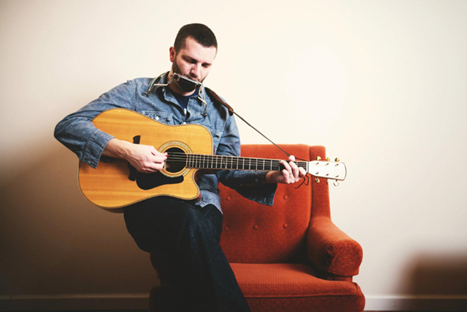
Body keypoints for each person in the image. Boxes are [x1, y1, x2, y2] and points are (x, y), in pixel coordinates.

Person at [54, 23, 306, 312]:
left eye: (205, 64)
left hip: (203, 208)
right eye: (189, 60)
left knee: (187, 248)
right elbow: (69, 126)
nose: (195, 71)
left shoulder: (219, 111)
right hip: (148, 206)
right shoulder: (135, 93)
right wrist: (128, 150)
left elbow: (229, 170)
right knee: (187, 221)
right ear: (173, 53)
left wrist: (273, 174)